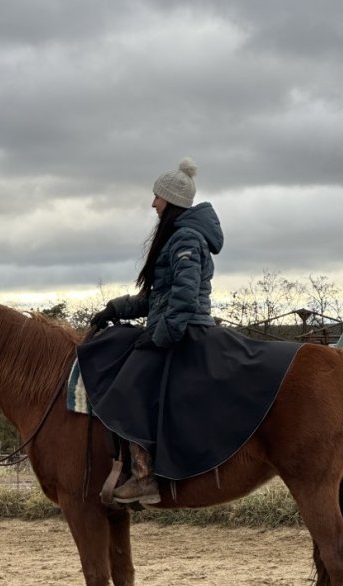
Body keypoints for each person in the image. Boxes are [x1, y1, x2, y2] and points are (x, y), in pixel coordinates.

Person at [84, 158, 223, 505]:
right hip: (172, 325)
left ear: (172, 201)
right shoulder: (178, 237)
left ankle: (145, 477)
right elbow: (156, 298)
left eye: (158, 198)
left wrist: (160, 336)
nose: (153, 204)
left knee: (131, 385)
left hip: (185, 331)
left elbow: (184, 298)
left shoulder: (186, 238)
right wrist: (114, 309)